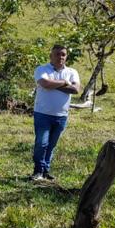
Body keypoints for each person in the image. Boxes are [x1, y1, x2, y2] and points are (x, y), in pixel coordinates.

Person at [31, 45, 81, 181]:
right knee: (41, 143)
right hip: (43, 114)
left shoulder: (72, 71)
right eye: (57, 54)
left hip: (61, 115)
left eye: (63, 54)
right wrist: (65, 83)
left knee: (51, 145)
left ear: (66, 57)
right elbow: (44, 83)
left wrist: (54, 85)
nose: (61, 57)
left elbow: (76, 89)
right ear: (51, 56)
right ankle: (38, 171)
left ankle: (45, 170)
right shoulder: (42, 69)